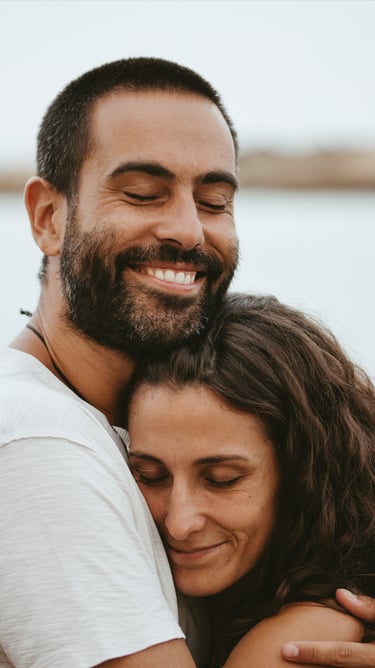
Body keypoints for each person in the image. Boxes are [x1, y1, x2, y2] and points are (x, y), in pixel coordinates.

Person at [0, 56, 374, 668]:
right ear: (48, 218)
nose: (188, 231)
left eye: (214, 200)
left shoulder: (123, 414)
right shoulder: (39, 443)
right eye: (143, 193)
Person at [126, 292, 375, 667]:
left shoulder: (314, 631)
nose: (179, 524)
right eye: (151, 475)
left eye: (222, 480)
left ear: (301, 472)